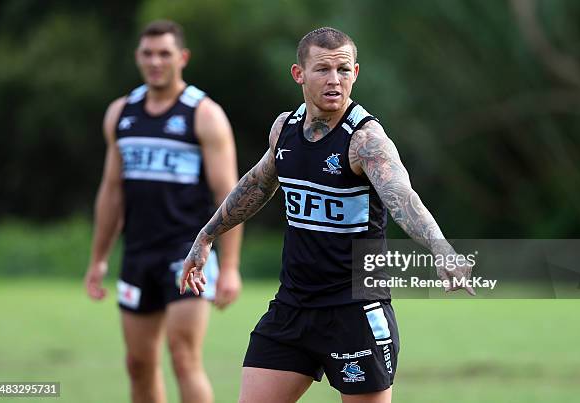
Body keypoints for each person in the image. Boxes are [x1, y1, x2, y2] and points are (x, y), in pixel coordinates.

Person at [180, 27, 473, 403]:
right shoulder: (284, 129)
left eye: (343, 69)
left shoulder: (365, 141)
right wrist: (206, 236)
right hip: (292, 307)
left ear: (355, 73)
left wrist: (440, 247)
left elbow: (403, 198)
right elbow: (256, 186)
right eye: (322, 69)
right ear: (299, 74)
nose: (334, 80)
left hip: (353, 312)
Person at [84, 20, 242, 403]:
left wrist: (231, 267)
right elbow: (111, 191)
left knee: (184, 357)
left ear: (182, 58)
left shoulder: (203, 115)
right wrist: (99, 258)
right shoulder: (121, 113)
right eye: (148, 54)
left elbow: (231, 196)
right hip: (138, 253)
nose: (155, 61)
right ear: (138, 57)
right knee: (138, 363)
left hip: (186, 254)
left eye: (164, 53)